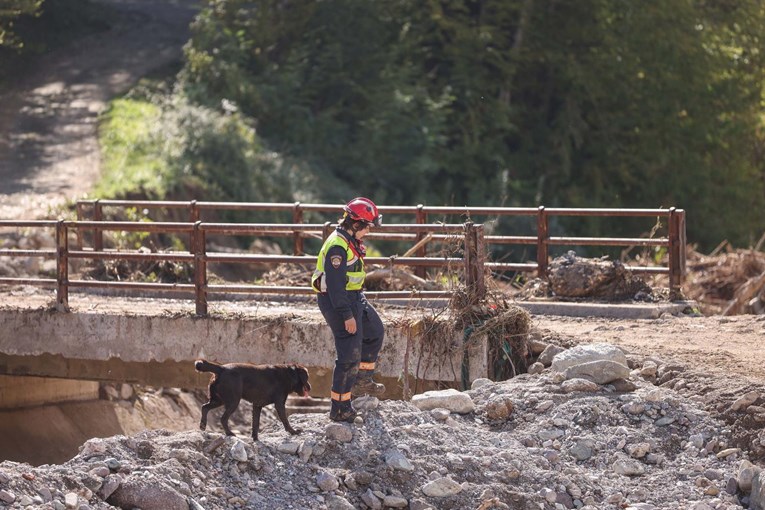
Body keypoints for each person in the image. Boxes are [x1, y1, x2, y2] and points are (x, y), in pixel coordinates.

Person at [311, 197, 386, 422]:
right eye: (367, 227)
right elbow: (334, 287)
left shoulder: (349, 240)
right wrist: (347, 316)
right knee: (348, 355)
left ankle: (363, 379)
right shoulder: (337, 246)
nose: (369, 232)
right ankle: (340, 407)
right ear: (356, 224)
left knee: (374, 332)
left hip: (354, 297)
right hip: (337, 301)